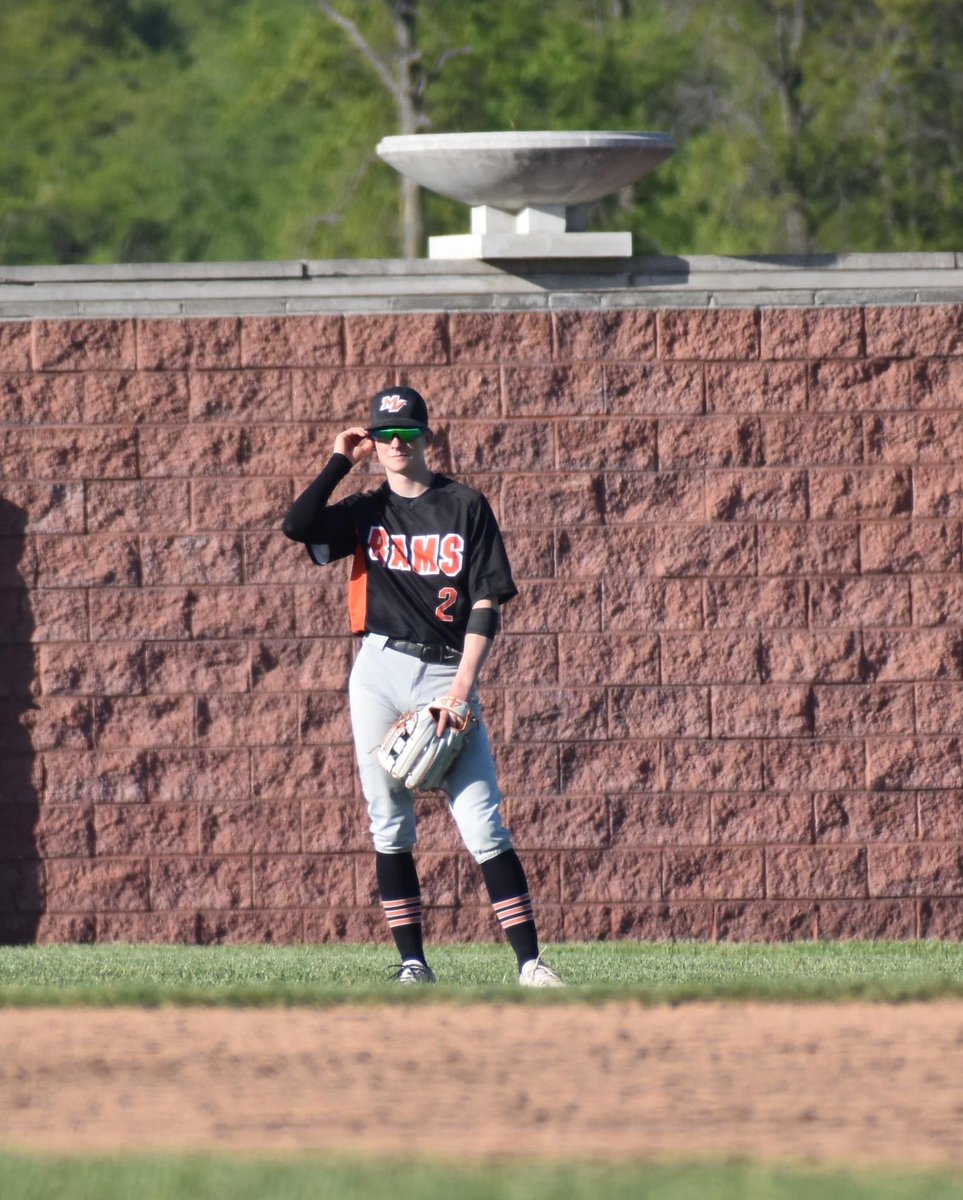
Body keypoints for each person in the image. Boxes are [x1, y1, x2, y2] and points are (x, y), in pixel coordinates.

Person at [282, 385, 563, 987]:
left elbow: (487, 601)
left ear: (426, 437)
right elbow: (296, 526)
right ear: (374, 443)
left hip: (445, 672)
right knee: (389, 822)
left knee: (483, 821)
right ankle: (413, 963)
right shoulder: (364, 511)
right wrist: (339, 460)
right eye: (385, 436)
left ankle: (531, 965)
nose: (396, 445)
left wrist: (462, 688)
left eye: (407, 434)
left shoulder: (464, 505)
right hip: (379, 669)